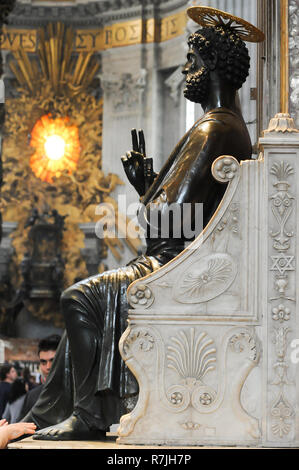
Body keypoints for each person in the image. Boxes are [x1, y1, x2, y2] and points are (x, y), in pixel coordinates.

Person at [26, 7, 264, 441]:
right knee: (75, 331)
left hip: (176, 265)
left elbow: (166, 219)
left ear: (210, 64)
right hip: (181, 257)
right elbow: (174, 209)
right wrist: (149, 186)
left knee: (78, 298)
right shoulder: (222, 127)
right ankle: (38, 419)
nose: (187, 69)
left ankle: (89, 415)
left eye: (192, 60)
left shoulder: (215, 129)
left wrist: (148, 193)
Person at [18, 334, 61, 421]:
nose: (48, 367)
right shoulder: (32, 396)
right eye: (43, 362)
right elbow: (22, 429)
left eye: (53, 360)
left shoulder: (79, 394)